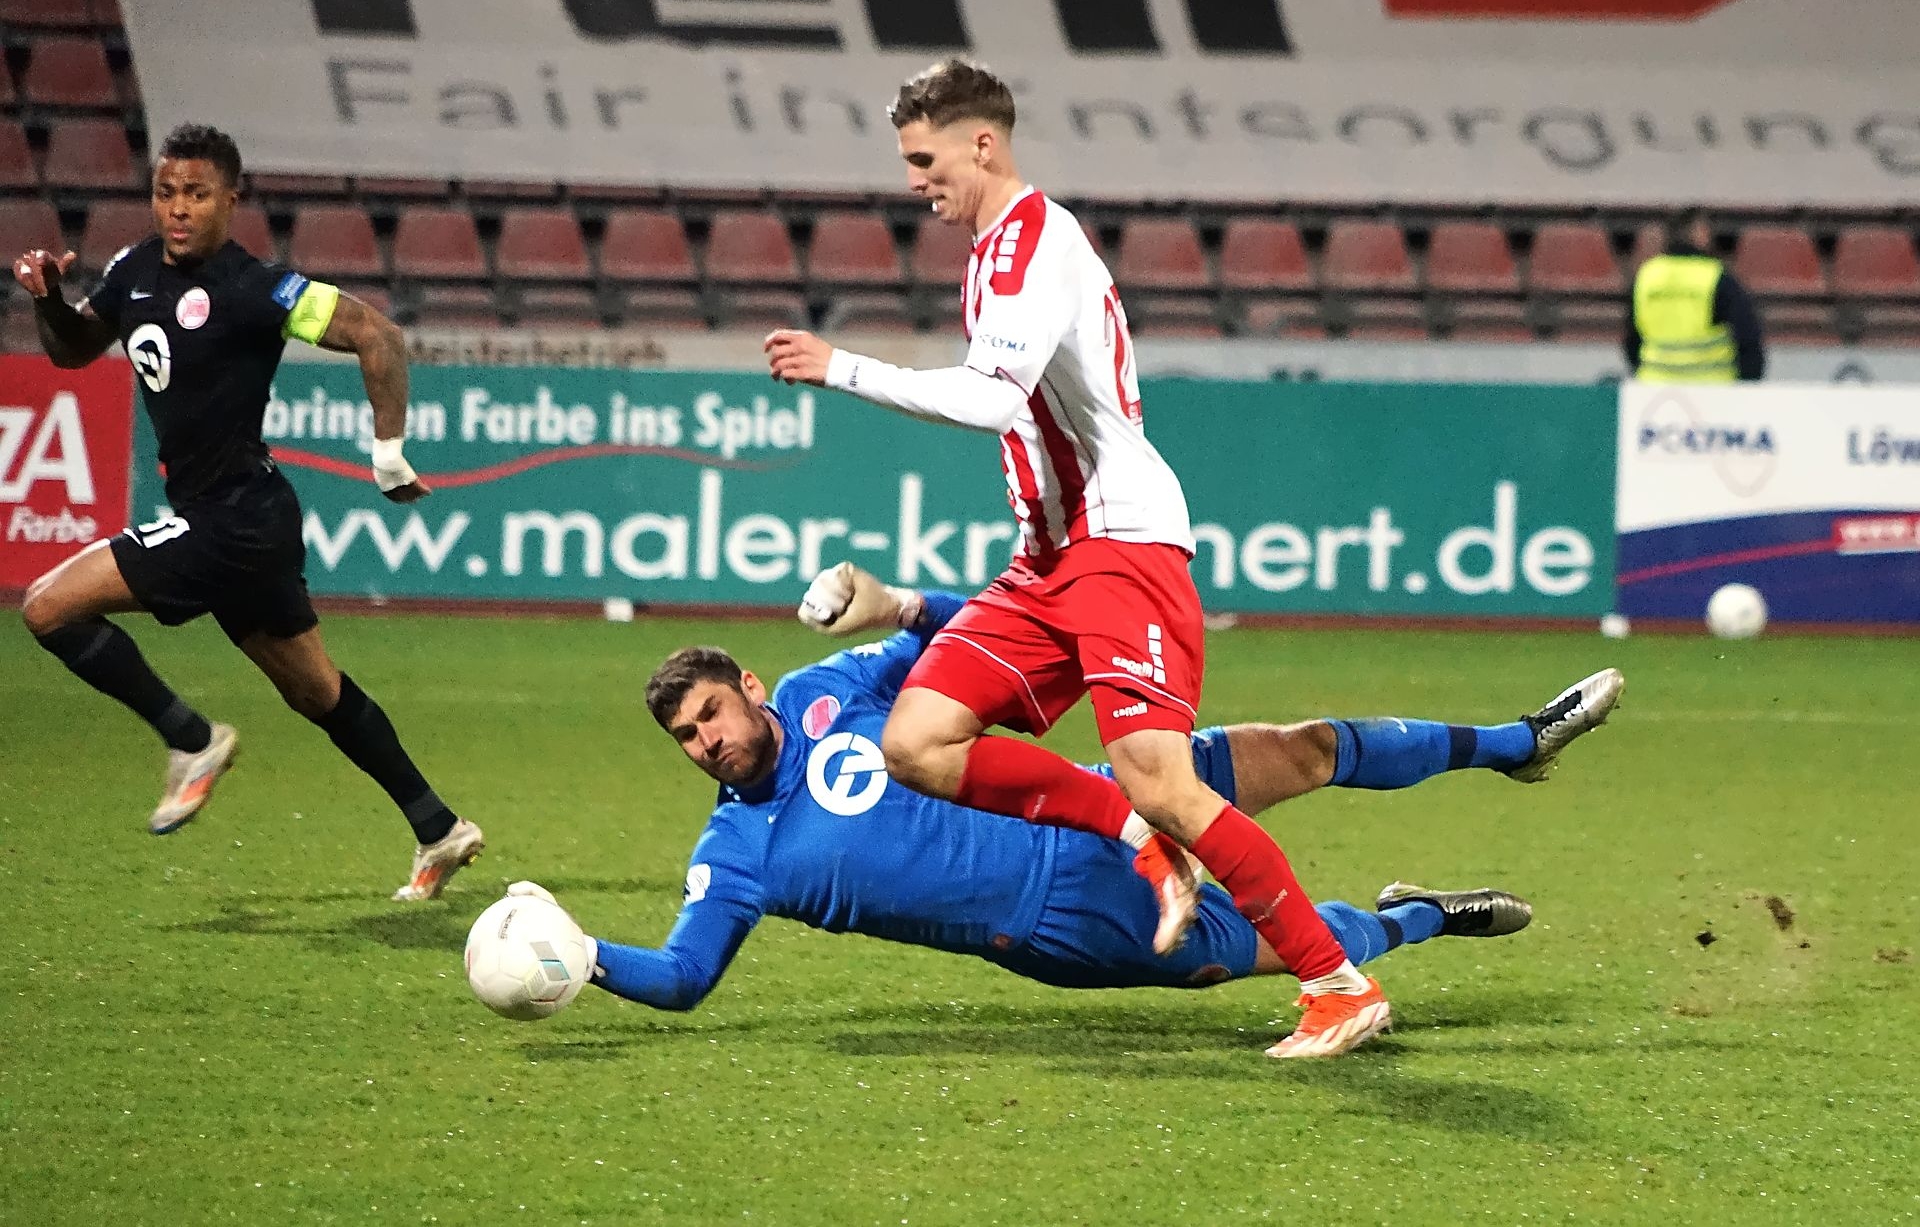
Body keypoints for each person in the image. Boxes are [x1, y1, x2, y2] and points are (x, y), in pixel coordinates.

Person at [544, 566, 1619, 1059]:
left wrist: (902, 603)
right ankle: (1419, 916)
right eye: (686, 737)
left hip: (1092, 792)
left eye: (711, 713)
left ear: (749, 686)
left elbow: (979, 636)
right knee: (1277, 950)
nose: (706, 741)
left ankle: (1516, 741)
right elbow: (685, 977)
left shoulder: (834, 686)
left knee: (1306, 747)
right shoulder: (735, 853)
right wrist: (580, 954)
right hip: (1059, 923)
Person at [12, 122, 483, 901]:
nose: (178, 208)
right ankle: (438, 826)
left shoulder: (255, 287)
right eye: (166, 191)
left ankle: (191, 738)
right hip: (244, 517)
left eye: (197, 194)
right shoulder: (132, 269)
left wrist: (389, 452)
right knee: (316, 693)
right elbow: (73, 350)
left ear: (231, 200)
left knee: (47, 607)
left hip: (233, 518)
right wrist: (49, 302)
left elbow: (377, 333)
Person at [1626, 212, 1765, 384]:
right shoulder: (1716, 277)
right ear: (1701, 234)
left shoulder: (1646, 275)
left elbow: (1632, 340)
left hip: (1654, 387)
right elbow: (1747, 338)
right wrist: (1747, 386)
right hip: (1710, 388)